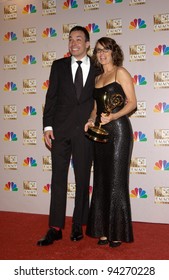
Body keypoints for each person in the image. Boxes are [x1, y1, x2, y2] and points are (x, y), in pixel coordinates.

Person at [37, 26, 97, 246]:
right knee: (58, 179)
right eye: (71, 39)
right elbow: (50, 97)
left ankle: (78, 225)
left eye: (79, 39)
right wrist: (47, 127)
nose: (74, 43)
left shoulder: (98, 67)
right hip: (60, 131)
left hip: (85, 132)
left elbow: (99, 101)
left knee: (82, 179)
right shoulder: (58, 66)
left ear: (88, 43)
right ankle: (55, 227)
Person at [84, 37, 137, 248]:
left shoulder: (120, 72)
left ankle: (117, 232)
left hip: (119, 131)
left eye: (105, 49)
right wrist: (90, 120)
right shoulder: (98, 78)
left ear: (113, 51)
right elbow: (96, 109)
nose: (102, 53)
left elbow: (132, 103)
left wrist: (113, 117)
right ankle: (102, 230)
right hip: (100, 132)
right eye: (98, 51)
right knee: (102, 180)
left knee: (116, 181)